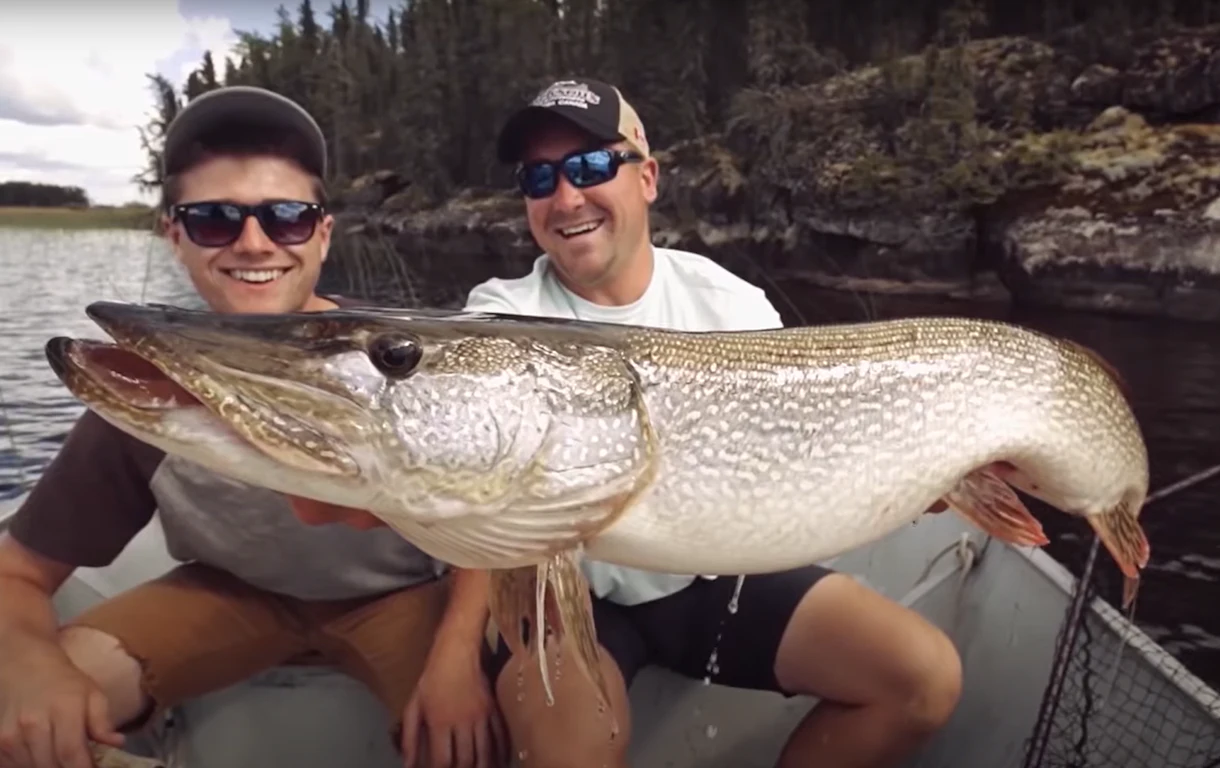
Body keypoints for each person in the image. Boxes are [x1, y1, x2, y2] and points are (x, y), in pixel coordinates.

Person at [462, 78, 965, 768]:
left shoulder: (732, 307)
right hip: (571, 590)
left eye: (590, 166)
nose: (567, 196)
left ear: (648, 178)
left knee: (922, 678)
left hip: (713, 574)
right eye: (539, 177)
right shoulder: (495, 319)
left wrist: (916, 479)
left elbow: (799, 462)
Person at [0, 86, 503, 768]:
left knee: (486, 737)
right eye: (213, 220)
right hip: (225, 595)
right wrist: (30, 666)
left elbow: (496, 511)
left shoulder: (398, 362)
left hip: (400, 599)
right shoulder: (147, 390)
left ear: (323, 233)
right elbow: (17, 572)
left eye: (288, 217)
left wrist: (454, 660)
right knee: (28, 720)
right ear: (174, 235)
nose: (254, 243)